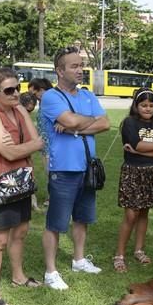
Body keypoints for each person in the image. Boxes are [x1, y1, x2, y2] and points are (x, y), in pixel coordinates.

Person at [39, 47, 110, 290]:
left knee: (82, 218)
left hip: (87, 167)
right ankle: (51, 272)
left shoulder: (87, 96)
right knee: (56, 223)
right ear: (60, 71)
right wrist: (81, 121)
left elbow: (106, 123)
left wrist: (76, 127)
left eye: (81, 65)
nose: (80, 70)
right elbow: (71, 120)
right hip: (63, 168)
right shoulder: (51, 97)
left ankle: (79, 259)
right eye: (74, 66)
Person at [0, 68, 44, 305]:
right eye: (9, 90)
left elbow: (37, 140)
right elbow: (8, 153)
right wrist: (27, 147)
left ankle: (18, 276)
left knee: (21, 231)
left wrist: (25, 146)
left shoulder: (18, 111)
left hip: (21, 180)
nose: (16, 93)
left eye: (18, 87)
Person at [113, 88, 153, 273]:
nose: (148, 108)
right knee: (131, 214)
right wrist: (146, 148)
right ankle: (119, 254)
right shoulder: (129, 123)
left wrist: (140, 150)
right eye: (144, 105)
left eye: (151, 105)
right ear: (136, 106)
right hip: (134, 172)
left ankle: (139, 249)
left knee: (144, 212)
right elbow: (139, 144)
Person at [28, 78, 54, 207]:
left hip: (52, 144)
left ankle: (53, 198)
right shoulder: (43, 103)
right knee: (49, 171)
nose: (33, 98)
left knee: (52, 172)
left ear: (42, 90)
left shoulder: (51, 103)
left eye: (34, 94)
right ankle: (52, 196)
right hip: (44, 144)